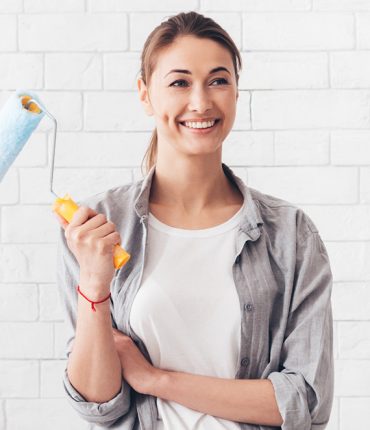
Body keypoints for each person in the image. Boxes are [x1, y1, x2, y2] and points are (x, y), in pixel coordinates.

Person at [54, 11, 334, 430]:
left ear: (237, 93)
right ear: (145, 94)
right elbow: (99, 403)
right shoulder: (98, 227)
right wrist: (94, 286)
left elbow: (305, 402)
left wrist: (156, 379)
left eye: (218, 80)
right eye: (179, 82)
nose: (201, 102)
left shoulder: (291, 235)